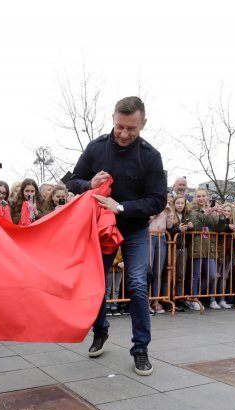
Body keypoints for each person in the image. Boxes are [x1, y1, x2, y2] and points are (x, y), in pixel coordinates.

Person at [67, 96, 166, 376]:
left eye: (131, 129)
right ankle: (100, 330)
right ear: (113, 118)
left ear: (143, 124)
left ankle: (140, 348)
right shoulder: (96, 147)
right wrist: (89, 183)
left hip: (134, 228)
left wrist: (121, 207)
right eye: (119, 126)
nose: (123, 134)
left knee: (136, 283)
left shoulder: (150, 156)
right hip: (100, 229)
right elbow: (72, 181)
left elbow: (158, 200)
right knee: (96, 283)